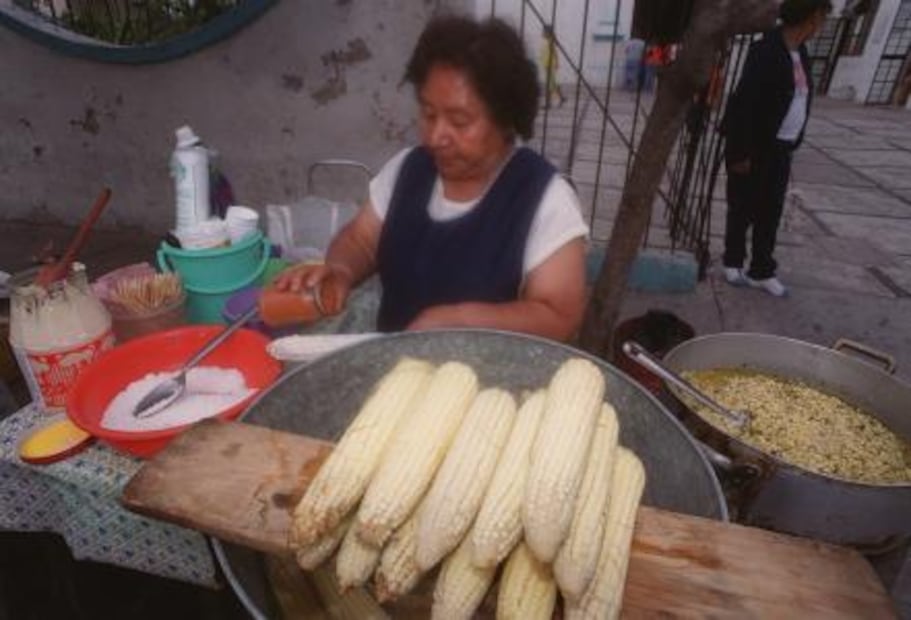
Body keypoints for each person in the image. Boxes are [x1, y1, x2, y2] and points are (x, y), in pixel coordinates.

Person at [275, 16, 589, 342]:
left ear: (506, 121)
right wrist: (340, 271)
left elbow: (559, 316)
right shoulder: (407, 170)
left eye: (459, 121)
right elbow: (360, 241)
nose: (436, 135)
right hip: (394, 371)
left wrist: (461, 321)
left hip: (491, 381)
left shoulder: (544, 199)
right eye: (428, 114)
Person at [720, 0, 831, 297]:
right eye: (822, 17)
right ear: (810, 17)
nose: (822, 25)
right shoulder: (766, 50)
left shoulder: (801, 53)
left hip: (782, 148)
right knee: (743, 206)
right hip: (755, 146)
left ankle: (762, 270)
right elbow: (745, 104)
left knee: (770, 211)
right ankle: (732, 261)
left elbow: (799, 97)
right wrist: (740, 153)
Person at [540, 25, 566, 107]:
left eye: (544, 31)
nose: (542, 33)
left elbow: (554, 53)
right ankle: (561, 98)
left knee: (549, 85)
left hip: (549, 66)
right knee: (553, 83)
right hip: (548, 65)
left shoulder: (550, 42)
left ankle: (548, 104)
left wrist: (556, 63)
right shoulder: (549, 41)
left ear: (548, 33)